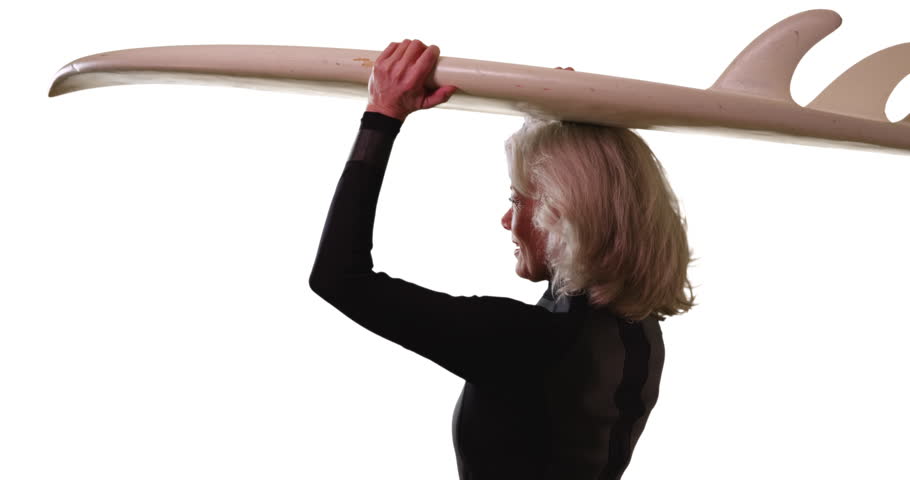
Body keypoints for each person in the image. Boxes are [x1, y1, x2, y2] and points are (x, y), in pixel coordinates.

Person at [309, 39, 696, 480]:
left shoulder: (524, 342)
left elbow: (341, 278)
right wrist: (553, 118)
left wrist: (381, 117)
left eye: (518, 200)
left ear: (564, 216)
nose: (506, 218)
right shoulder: (635, 330)